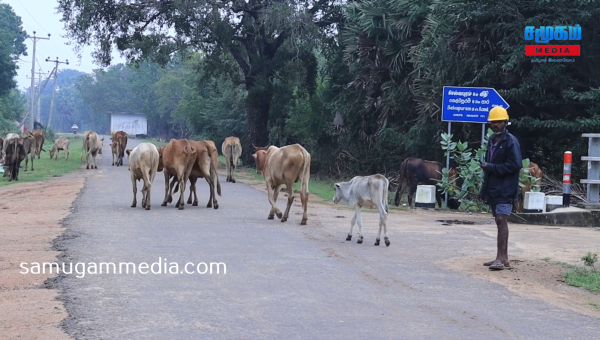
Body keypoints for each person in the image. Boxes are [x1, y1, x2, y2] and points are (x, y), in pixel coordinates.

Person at [478, 106, 522, 271]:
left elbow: (515, 165)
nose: (496, 125)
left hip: (506, 189)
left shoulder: (511, 141)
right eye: (493, 122)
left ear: (505, 122)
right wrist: (484, 190)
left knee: (501, 220)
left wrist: (491, 167)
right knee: (499, 221)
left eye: (499, 122)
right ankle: (503, 258)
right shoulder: (492, 140)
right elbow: (490, 168)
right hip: (494, 189)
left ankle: (500, 258)